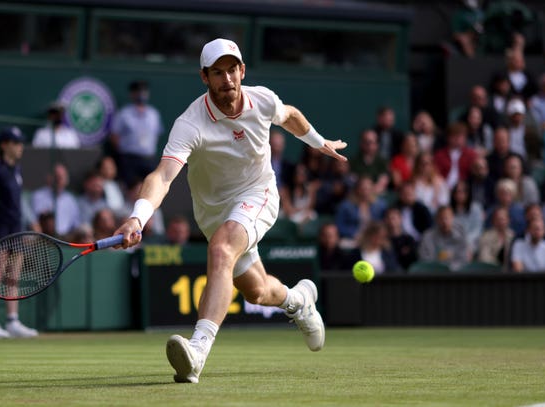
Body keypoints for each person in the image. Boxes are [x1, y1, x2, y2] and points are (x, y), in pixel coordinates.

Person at [112, 38, 348, 384]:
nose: (227, 79)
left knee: (221, 249)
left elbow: (291, 116)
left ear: (242, 71)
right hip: (214, 213)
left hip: (259, 194)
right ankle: (299, 300)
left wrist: (318, 142)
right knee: (258, 291)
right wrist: (137, 217)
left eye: (232, 70)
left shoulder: (262, 100)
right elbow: (162, 177)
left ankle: (197, 352)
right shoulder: (190, 123)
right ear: (204, 77)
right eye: (217, 72)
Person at [0, 126, 38, 338]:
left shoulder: (16, 169)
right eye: (16, 143)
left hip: (16, 227)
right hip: (0, 227)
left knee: (13, 275)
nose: (20, 147)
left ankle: (13, 321)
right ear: (4, 145)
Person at [110, 80, 164, 186]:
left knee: (151, 187)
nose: (141, 94)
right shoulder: (124, 114)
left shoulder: (153, 114)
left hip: (149, 159)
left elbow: (157, 134)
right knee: (129, 188)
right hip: (129, 159)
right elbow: (114, 136)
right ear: (132, 94)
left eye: (144, 91)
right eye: (138, 91)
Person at [30, 163, 81, 238]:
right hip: (43, 237)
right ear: (49, 178)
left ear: (67, 179)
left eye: (62, 177)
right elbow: (33, 221)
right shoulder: (38, 196)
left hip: (66, 238)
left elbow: (76, 224)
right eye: (56, 176)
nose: (58, 180)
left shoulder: (70, 200)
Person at [418, 205, 470, 272]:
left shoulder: (461, 235)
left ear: (452, 218)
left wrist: (449, 269)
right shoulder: (428, 236)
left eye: (447, 218)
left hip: (456, 275)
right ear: (436, 220)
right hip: (434, 275)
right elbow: (425, 260)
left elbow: (463, 259)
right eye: (441, 218)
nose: (444, 222)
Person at [349, 129, 390, 195]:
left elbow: (383, 182)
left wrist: (371, 191)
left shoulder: (382, 161)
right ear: (361, 143)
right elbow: (352, 181)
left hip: (377, 195)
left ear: (377, 144)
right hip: (357, 195)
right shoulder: (353, 161)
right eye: (366, 142)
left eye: (372, 142)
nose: (369, 145)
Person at [476, 206, 515, 271]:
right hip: (491, 272)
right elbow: (484, 258)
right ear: (493, 221)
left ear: (508, 220)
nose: (501, 222)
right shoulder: (485, 237)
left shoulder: (513, 236)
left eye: (503, 219)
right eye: (498, 219)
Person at [384, 207, 418, 272]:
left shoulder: (409, 240)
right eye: (388, 218)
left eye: (394, 218)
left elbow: (414, 260)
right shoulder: (381, 240)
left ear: (400, 219)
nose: (391, 221)